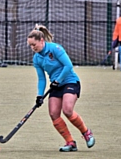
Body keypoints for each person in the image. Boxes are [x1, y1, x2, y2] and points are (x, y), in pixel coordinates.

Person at [27, 24, 95, 152]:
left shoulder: (55, 49)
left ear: (41, 41)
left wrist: (58, 80)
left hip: (70, 81)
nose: (32, 48)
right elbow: (41, 78)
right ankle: (70, 142)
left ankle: (86, 133)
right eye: (30, 46)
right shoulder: (36, 58)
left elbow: (68, 66)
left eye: (34, 45)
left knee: (67, 110)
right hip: (55, 85)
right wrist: (39, 96)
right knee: (53, 114)